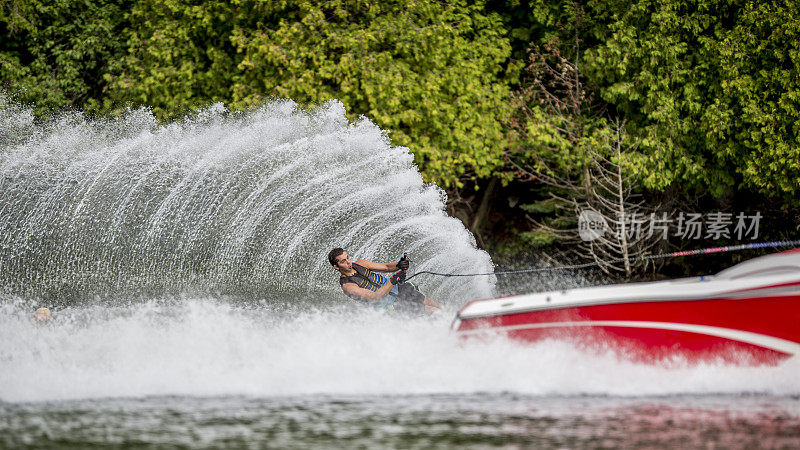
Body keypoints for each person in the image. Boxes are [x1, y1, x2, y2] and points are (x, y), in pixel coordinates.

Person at [328, 248, 442, 315]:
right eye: (343, 261)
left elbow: (387, 267)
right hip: (391, 306)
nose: (349, 262)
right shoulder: (348, 286)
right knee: (431, 311)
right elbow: (376, 296)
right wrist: (393, 280)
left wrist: (398, 265)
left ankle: (455, 315)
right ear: (336, 267)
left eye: (347, 257)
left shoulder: (361, 263)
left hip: (399, 289)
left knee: (434, 304)